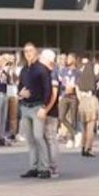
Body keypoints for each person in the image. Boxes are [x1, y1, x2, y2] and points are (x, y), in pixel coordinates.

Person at [18, 43, 53, 179]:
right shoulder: (24, 70)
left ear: (36, 52)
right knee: (30, 139)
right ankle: (33, 167)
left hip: (38, 107)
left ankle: (44, 168)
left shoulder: (42, 69)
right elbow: (19, 87)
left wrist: (44, 107)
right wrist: (21, 93)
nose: (28, 54)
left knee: (39, 137)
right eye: (25, 51)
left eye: (30, 51)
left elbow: (48, 89)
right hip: (25, 107)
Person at [40, 49, 61, 178]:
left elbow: (53, 95)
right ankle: (45, 165)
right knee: (44, 139)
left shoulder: (52, 74)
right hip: (44, 110)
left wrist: (46, 110)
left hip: (50, 112)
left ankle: (53, 167)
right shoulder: (46, 73)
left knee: (50, 139)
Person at [77, 58, 99, 157]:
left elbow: (77, 88)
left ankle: (82, 146)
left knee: (84, 127)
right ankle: (88, 148)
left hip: (82, 101)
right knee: (91, 127)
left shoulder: (80, 78)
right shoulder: (94, 78)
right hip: (91, 101)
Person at [58, 54, 81, 148]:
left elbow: (78, 85)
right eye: (67, 58)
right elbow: (60, 83)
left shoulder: (78, 72)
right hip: (64, 95)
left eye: (70, 58)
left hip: (73, 97)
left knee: (73, 118)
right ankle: (75, 133)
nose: (68, 60)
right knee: (61, 116)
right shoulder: (63, 71)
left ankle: (71, 139)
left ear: (75, 60)